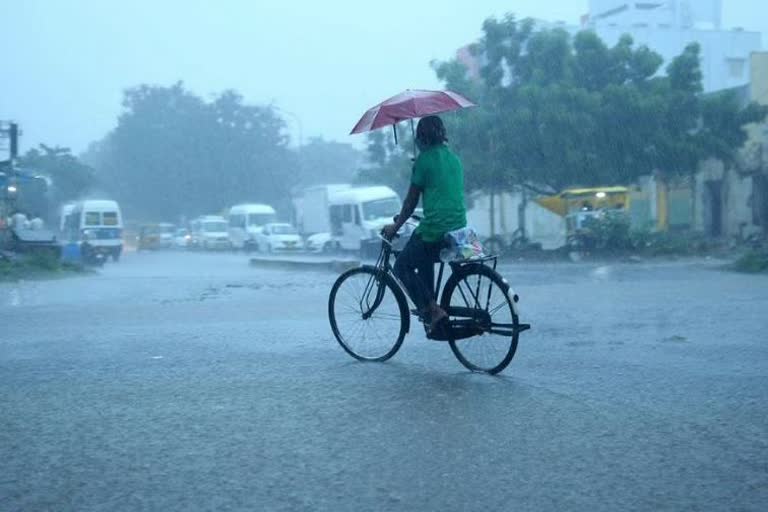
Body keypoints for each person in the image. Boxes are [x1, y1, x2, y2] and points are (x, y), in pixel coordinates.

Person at [383, 116, 467, 337]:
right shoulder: (454, 159)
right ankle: (432, 309)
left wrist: (395, 226)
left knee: (402, 266)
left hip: (436, 229)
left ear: (422, 137)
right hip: (458, 228)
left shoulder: (424, 161)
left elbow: (410, 204)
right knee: (421, 253)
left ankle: (433, 310)